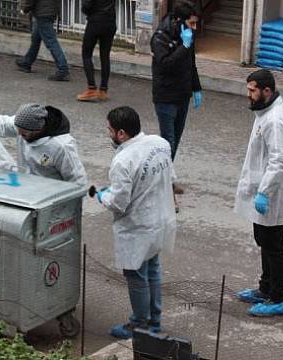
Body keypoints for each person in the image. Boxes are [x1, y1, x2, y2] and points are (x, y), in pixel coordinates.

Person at [95, 106, 176, 339]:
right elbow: (170, 176)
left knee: (136, 277)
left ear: (121, 134)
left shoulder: (122, 160)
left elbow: (118, 203)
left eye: (110, 130)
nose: (108, 134)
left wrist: (103, 196)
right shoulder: (159, 143)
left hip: (137, 227)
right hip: (160, 219)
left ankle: (139, 325)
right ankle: (154, 321)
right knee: (152, 270)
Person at [234, 69, 283, 317]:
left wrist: (265, 192)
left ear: (267, 91)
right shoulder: (265, 112)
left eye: (252, 90)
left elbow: (280, 161)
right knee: (264, 240)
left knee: (273, 245)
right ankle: (265, 288)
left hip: (273, 195)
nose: (248, 95)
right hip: (264, 192)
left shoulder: (276, 119)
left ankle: (278, 298)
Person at [151, 0, 202, 195]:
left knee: (175, 141)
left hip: (182, 96)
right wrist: (184, 46)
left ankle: (165, 178)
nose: (194, 28)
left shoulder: (187, 35)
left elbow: (191, 64)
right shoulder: (161, 38)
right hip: (165, 96)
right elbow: (165, 65)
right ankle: (162, 183)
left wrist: (196, 88)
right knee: (168, 142)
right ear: (179, 21)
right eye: (192, 23)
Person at [0, 103, 87, 186]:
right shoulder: (23, 124)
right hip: (26, 187)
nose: (19, 134)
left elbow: (77, 179)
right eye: (18, 129)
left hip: (50, 196)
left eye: (24, 133)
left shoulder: (62, 146)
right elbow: (3, 123)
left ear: (38, 129)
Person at [15, 0, 70, 81]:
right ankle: (26, 62)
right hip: (49, 11)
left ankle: (63, 68)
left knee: (51, 42)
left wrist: (24, 9)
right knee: (36, 38)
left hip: (42, 12)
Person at [76, 0, 116, 102]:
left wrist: (87, 11)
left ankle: (91, 88)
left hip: (95, 21)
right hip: (110, 22)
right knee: (105, 56)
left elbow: (86, 6)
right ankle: (103, 90)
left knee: (86, 54)